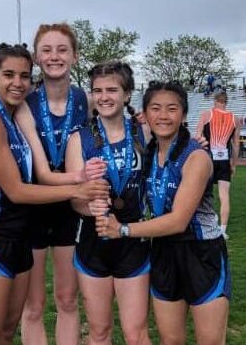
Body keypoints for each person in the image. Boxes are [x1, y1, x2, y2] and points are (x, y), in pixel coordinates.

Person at [0, 42, 109, 345]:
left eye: (24, 76)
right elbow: (15, 191)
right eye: (8, 74)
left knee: (6, 331)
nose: (17, 83)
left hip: (19, 233)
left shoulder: (13, 117)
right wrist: (76, 189)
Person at [96, 81, 231, 345]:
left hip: (201, 253)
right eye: (155, 108)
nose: (164, 115)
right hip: (162, 252)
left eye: (172, 108)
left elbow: (179, 221)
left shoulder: (196, 157)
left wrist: (122, 230)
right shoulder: (147, 152)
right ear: (145, 114)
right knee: (170, 340)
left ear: (183, 114)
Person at [66, 61, 152, 344]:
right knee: (99, 331)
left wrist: (196, 143)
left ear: (127, 94)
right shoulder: (79, 138)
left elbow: (170, 160)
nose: (104, 97)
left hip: (133, 239)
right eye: (97, 90)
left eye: (112, 90)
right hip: (95, 239)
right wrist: (88, 206)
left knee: (136, 333)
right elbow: (74, 196)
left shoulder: (144, 131)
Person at [19, 23, 91, 345]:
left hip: (70, 208)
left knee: (67, 300)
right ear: (36, 57)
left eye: (62, 50)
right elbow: (39, 170)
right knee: (33, 306)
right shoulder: (24, 102)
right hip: (33, 204)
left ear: (74, 56)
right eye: (46, 50)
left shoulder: (84, 100)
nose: (54, 57)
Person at [196, 91, 240, 239]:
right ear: (226, 102)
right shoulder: (235, 118)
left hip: (208, 158)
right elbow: (236, 145)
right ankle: (223, 229)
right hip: (224, 159)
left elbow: (198, 137)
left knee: (201, 193)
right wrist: (234, 164)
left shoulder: (206, 114)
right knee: (224, 195)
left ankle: (204, 222)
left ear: (215, 101)